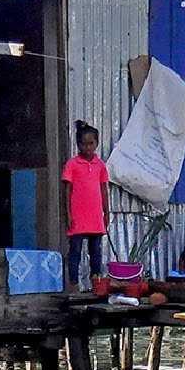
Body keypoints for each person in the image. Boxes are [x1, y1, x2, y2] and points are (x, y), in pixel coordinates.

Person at [61, 120, 110, 291]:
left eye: (91, 143)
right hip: (78, 215)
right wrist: (68, 214)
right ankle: (73, 284)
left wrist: (106, 212)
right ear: (78, 144)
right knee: (75, 250)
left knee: (95, 251)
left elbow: (104, 190)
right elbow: (67, 191)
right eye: (83, 144)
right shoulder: (72, 164)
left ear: (97, 143)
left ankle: (96, 283)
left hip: (95, 216)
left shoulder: (100, 165)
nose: (87, 147)